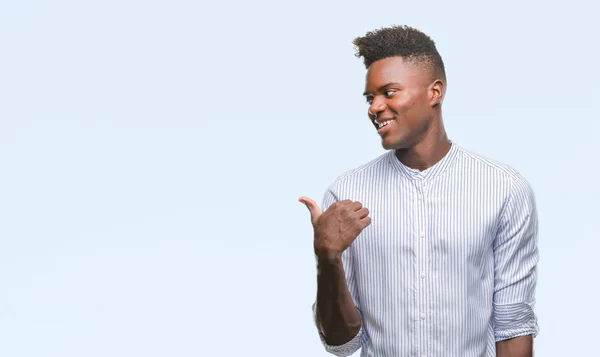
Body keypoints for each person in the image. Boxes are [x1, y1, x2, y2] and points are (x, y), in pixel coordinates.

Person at [299, 25, 539, 357]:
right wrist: (327, 258)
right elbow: (341, 342)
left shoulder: (504, 189)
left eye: (390, 92)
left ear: (434, 91)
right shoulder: (346, 194)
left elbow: (513, 327)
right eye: (371, 97)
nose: (375, 107)